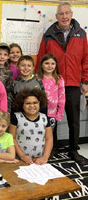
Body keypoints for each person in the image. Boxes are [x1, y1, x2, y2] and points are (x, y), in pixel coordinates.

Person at [36, 2, 88, 165]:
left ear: (71, 14)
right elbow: (41, 58)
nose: (64, 16)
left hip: (73, 83)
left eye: (67, 13)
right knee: (52, 118)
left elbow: (86, 59)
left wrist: (85, 80)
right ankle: (53, 148)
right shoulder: (48, 35)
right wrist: (39, 81)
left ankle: (73, 150)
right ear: (57, 16)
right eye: (61, 14)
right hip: (52, 83)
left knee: (74, 120)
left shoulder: (81, 34)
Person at [9, 88, 53, 165]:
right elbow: (11, 138)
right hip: (20, 159)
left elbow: (49, 138)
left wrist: (45, 157)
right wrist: (22, 156)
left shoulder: (44, 118)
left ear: (40, 103)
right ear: (22, 104)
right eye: (27, 103)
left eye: (35, 102)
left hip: (39, 159)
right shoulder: (16, 117)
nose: (32, 106)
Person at [37, 54, 65, 149]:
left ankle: (49, 151)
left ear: (56, 65)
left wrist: (59, 114)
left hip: (52, 114)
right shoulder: (37, 78)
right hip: (38, 112)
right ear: (41, 65)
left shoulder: (59, 79)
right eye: (47, 63)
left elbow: (62, 98)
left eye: (53, 63)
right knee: (38, 133)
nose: (50, 66)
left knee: (50, 134)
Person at [0, 43, 13, 112]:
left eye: (5, 54)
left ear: (8, 57)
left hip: (2, 104)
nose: (2, 57)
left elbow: (9, 92)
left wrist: (8, 109)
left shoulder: (8, 72)